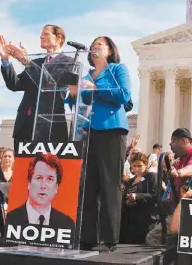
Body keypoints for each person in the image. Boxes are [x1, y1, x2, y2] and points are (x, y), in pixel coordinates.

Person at [66, 36, 131, 252]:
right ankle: (87, 236)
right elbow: (74, 102)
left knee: (109, 185)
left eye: (99, 46)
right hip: (88, 131)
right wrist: (71, 94)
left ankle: (109, 238)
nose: (94, 49)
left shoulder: (117, 69)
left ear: (110, 51)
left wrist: (95, 89)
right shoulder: (85, 75)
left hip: (112, 130)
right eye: (92, 46)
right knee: (89, 185)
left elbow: (124, 95)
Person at [0, 25, 74, 147]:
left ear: (59, 38)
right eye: (41, 35)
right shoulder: (37, 62)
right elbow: (15, 84)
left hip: (51, 127)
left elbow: (51, 84)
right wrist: (5, 60)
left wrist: (26, 61)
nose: (41, 37)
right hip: (26, 126)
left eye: (46, 34)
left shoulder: (69, 61)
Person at [6, 153, 74, 229]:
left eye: (50, 179)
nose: (43, 186)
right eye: (38, 178)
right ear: (29, 183)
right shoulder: (11, 219)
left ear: (56, 187)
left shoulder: (66, 224)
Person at [120, 152, 158, 244]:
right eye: (134, 166)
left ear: (145, 164)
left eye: (139, 166)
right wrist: (127, 201)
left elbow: (156, 196)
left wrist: (137, 196)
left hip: (146, 220)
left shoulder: (151, 177)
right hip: (131, 221)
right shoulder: (131, 181)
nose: (136, 169)